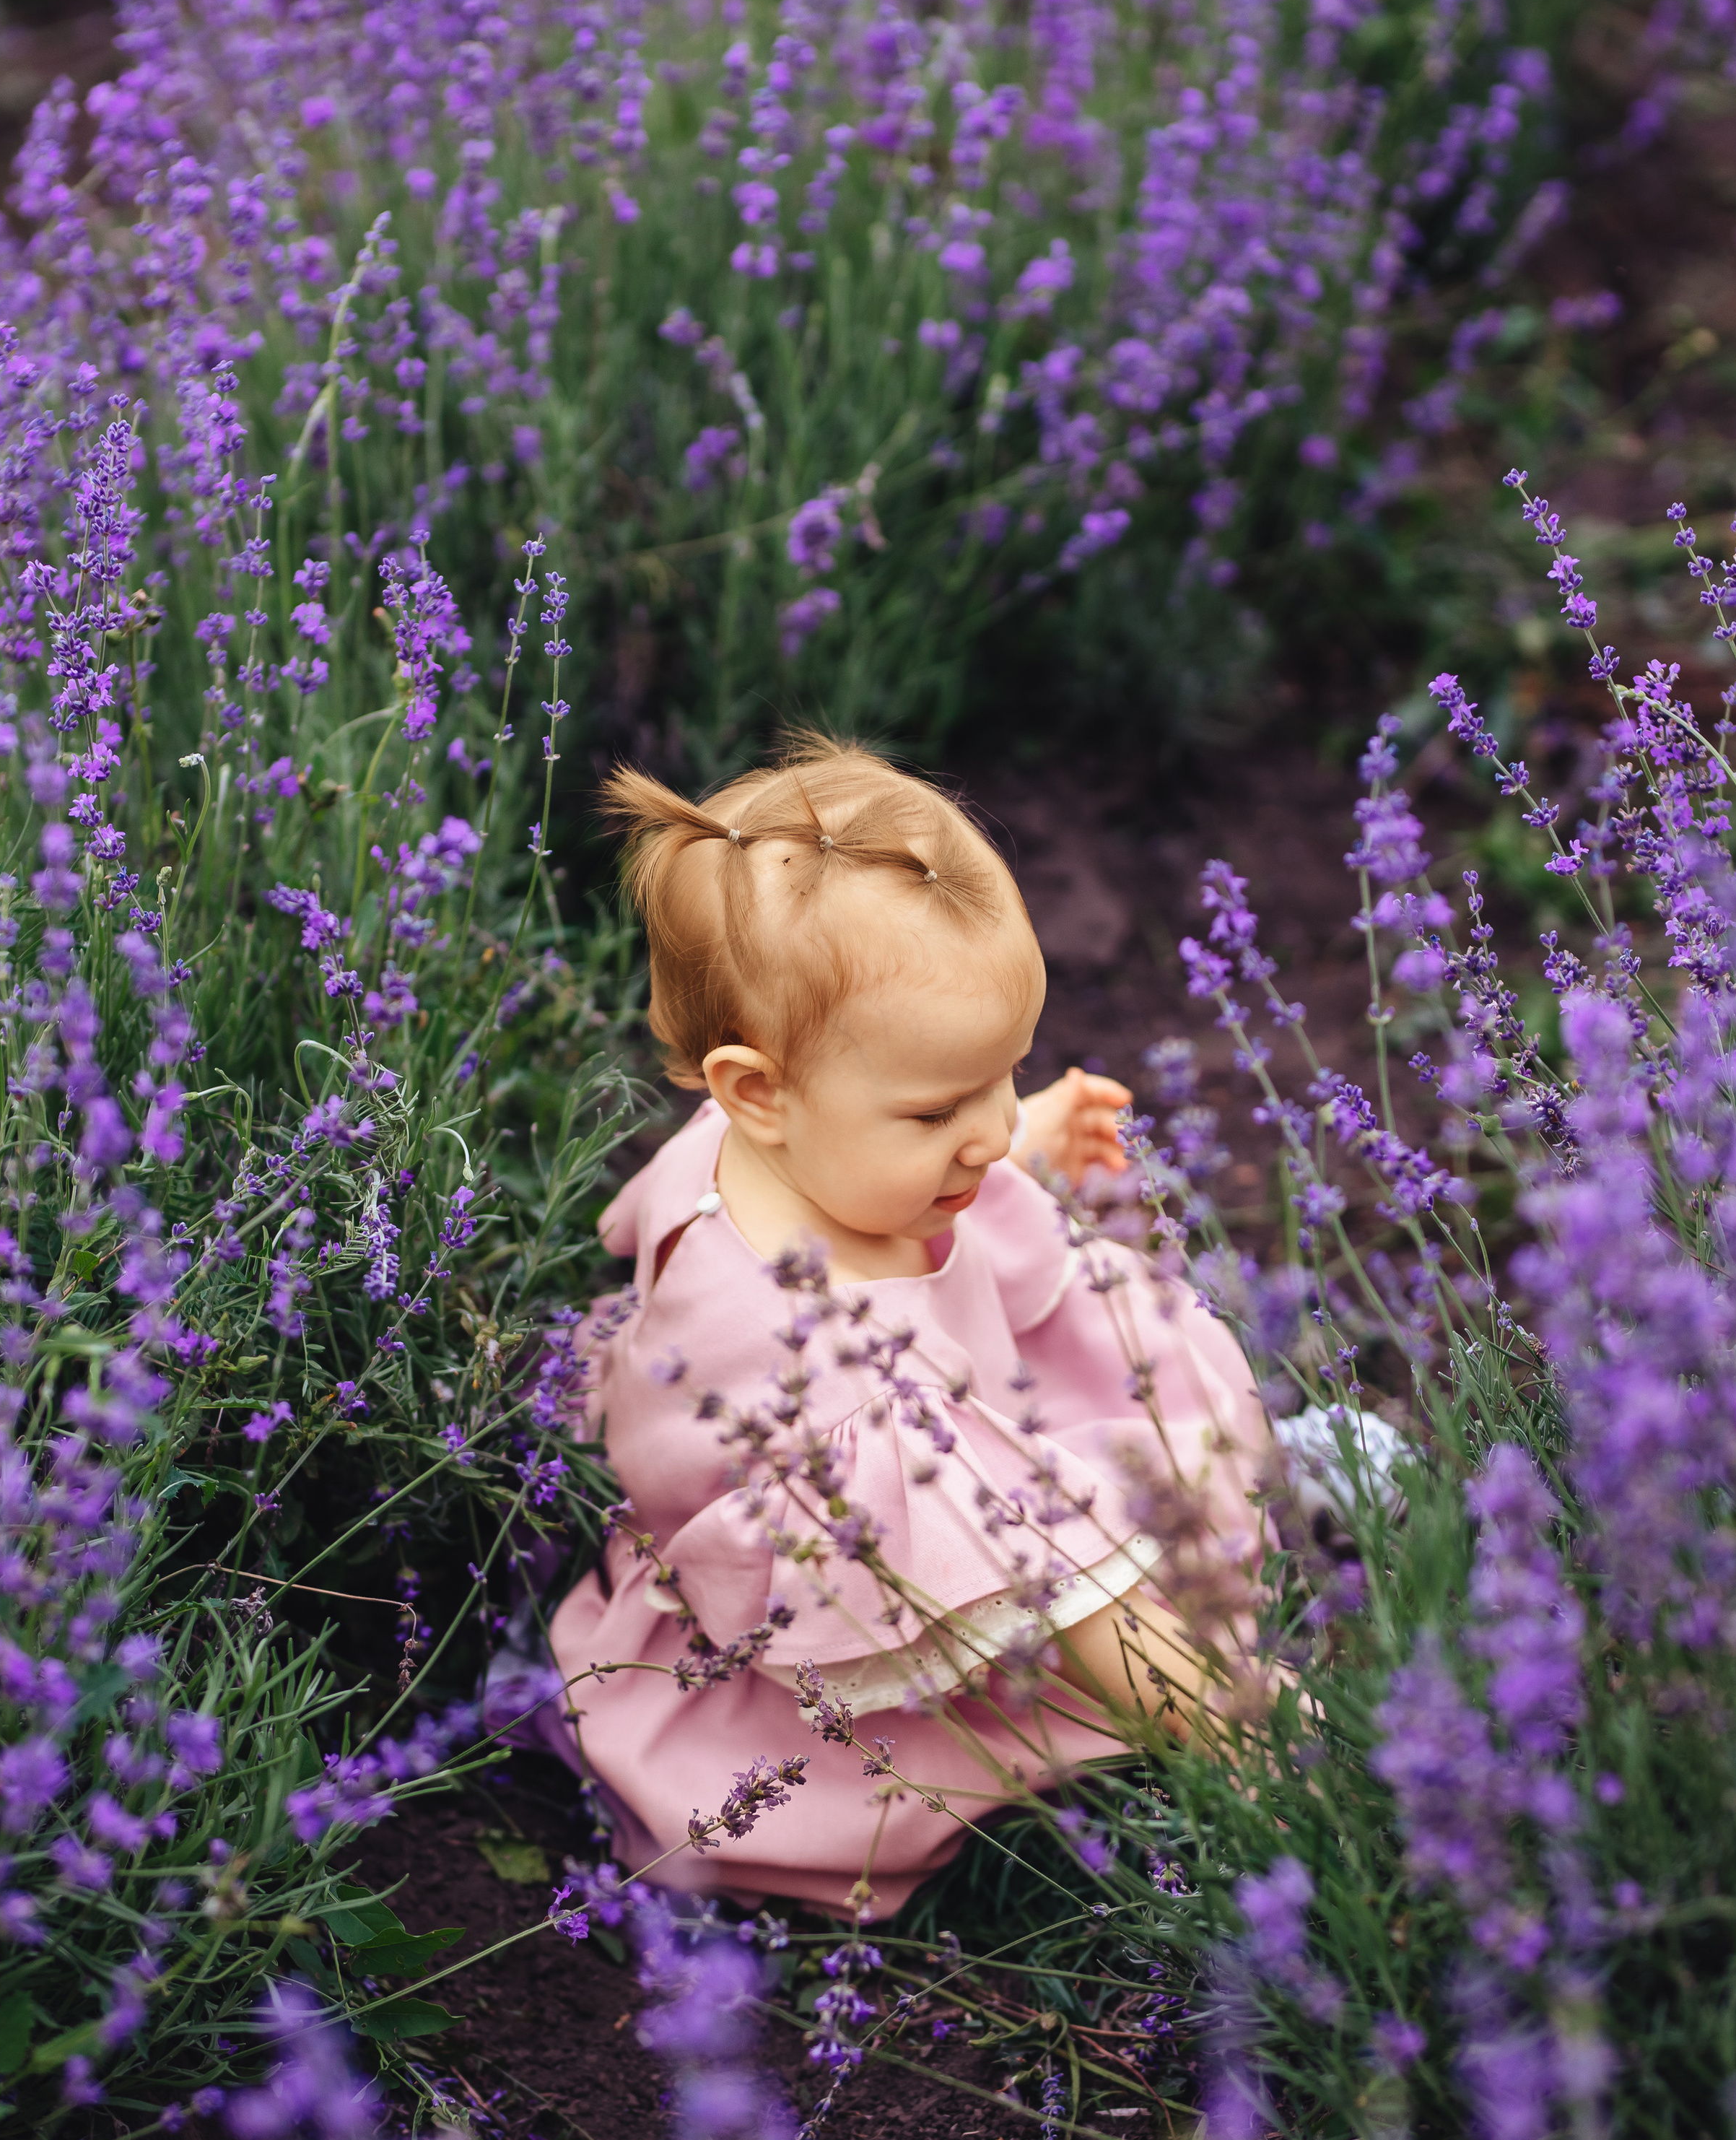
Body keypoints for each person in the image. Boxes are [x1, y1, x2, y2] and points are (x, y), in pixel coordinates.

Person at [504, 736, 1275, 1914]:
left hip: (938, 1471)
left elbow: (913, 1139)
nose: (984, 1129)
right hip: (826, 1663)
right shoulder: (827, 1370)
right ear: (756, 1090)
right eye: (936, 1107)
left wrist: (1018, 1138)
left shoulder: (776, 1147)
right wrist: (1251, 1733)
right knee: (1092, 1659)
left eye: (1004, 1074)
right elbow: (1065, 1585)